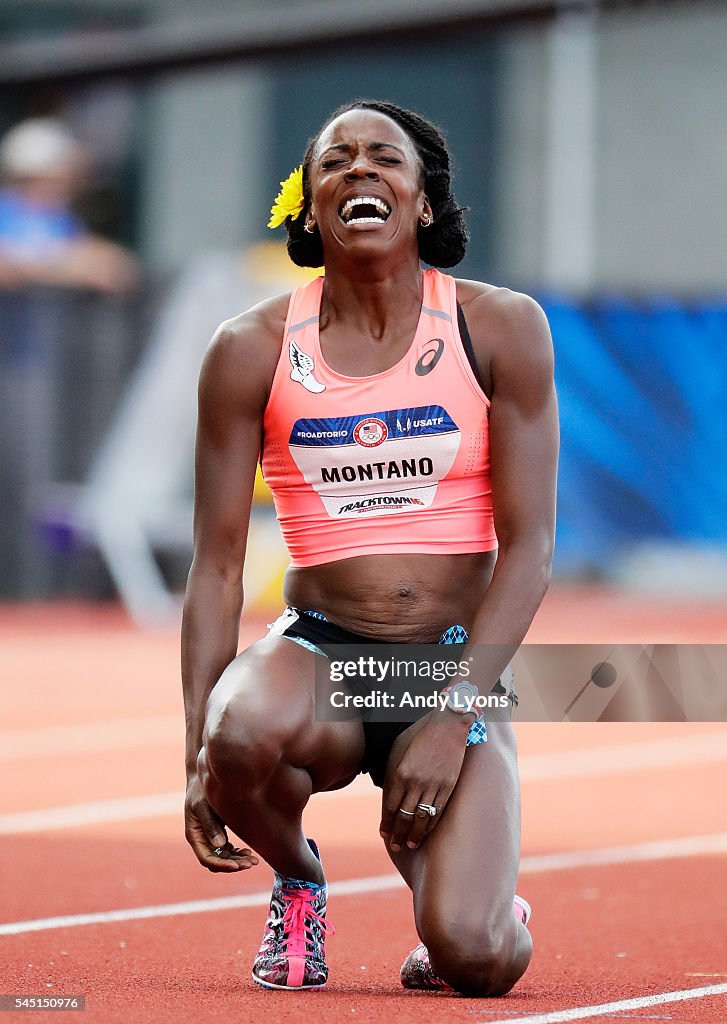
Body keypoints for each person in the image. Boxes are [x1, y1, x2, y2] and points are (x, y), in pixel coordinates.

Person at [182, 99, 558, 996]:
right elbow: (217, 567)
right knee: (236, 737)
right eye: (334, 162)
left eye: (382, 158)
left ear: (421, 201)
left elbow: (533, 546)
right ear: (309, 209)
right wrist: (197, 755)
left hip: (447, 663)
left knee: (476, 961)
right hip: (317, 653)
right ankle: (301, 880)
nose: (358, 171)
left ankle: (480, 898)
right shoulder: (250, 347)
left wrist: (450, 715)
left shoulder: (498, 327)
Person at [0, 117, 138, 293]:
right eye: (59, 178)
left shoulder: (62, 219)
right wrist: (65, 270)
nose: (68, 185)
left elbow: (111, 265)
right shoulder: (5, 212)